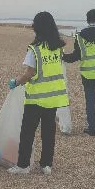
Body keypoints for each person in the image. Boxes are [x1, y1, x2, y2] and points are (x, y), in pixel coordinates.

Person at [7, 12, 70, 175]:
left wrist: (16, 82)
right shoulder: (58, 48)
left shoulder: (35, 50)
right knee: (49, 132)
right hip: (53, 97)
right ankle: (46, 165)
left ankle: (23, 165)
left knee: (27, 132)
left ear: (37, 28)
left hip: (35, 99)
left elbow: (29, 73)